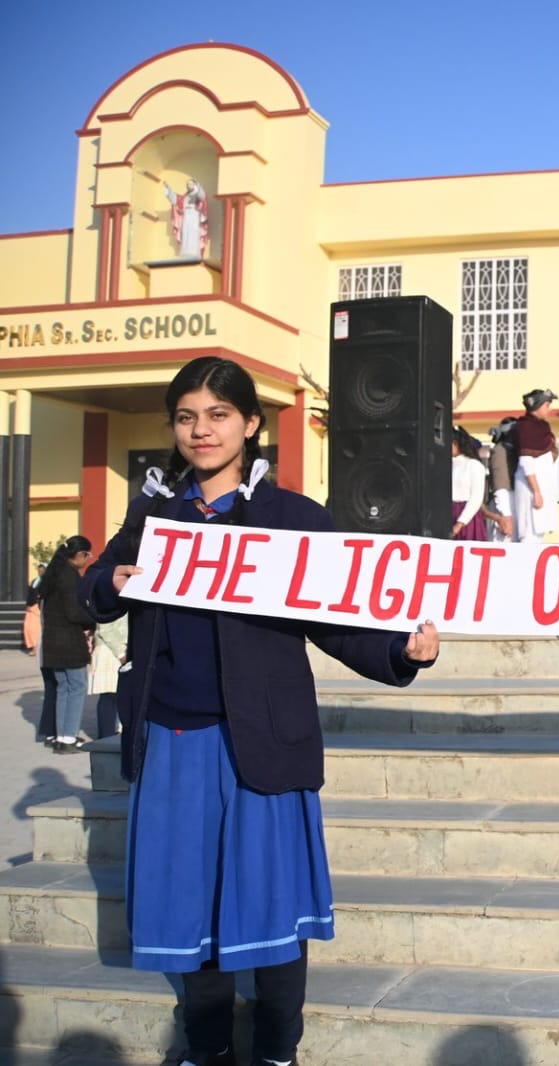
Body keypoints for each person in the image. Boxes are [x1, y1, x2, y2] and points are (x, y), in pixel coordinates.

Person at [80, 356, 440, 1066]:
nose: (201, 431)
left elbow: (335, 619)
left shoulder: (293, 519)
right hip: (172, 738)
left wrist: (398, 648)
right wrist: (109, 583)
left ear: (250, 424)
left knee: (274, 912)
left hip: (262, 741)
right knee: (190, 909)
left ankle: (278, 1049)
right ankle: (206, 1046)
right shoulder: (152, 516)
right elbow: (93, 588)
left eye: (218, 416)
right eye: (186, 417)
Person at [38, 535, 95, 753]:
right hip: (69, 642)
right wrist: (93, 618)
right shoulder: (70, 577)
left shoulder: (53, 574)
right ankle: (69, 737)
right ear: (80, 554)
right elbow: (74, 612)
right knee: (77, 687)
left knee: (63, 688)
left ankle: (61, 736)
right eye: (88, 555)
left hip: (52, 641)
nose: (88, 560)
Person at [512, 388, 559, 543]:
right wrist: (537, 492)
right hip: (530, 488)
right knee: (529, 533)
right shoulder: (526, 427)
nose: (549, 409)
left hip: (542, 487)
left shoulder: (543, 427)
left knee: (539, 534)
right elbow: (526, 461)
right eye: (546, 405)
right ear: (537, 406)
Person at [85, 611, 127, 741]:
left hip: (114, 650)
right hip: (110, 652)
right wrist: (121, 653)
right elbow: (106, 630)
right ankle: (106, 735)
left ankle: (109, 732)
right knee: (109, 695)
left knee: (114, 695)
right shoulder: (110, 604)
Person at [449, 425, 488, 541]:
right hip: (448, 512)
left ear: (456, 444)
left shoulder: (474, 465)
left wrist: (460, 523)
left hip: (467, 517)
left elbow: (476, 498)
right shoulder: (446, 464)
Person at [482, 417, 517, 541]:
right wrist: (506, 515)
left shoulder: (513, 451)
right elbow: (500, 484)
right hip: (504, 506)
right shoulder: (500, 451)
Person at [163, 178, 209, 259]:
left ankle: (194, 252)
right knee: (185, 232)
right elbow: (175, 199)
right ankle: (185, 251)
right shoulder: (184, 197)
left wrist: (197, 187)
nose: (188, 186)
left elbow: (202, 196)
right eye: (187, 184)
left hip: (195, 215)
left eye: (190, 184)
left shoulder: (197, 194)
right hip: (186, 216)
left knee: (193, 233)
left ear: (195, 185)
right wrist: (168, 189)